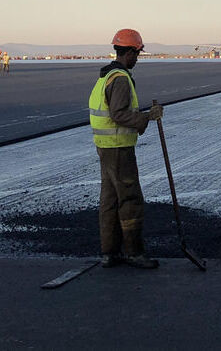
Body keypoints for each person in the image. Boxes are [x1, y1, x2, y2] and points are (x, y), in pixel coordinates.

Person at [88, 28, 163, 269]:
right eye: (137, 54)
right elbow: (119, 114)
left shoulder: (105, 76)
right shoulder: (120, 78)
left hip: (105, 147)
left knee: (109, 200)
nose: (137, 59)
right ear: (129, 52)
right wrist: (147, 118)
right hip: (119, 148)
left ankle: (109, 253)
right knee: (129, 199)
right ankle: (133, 253)